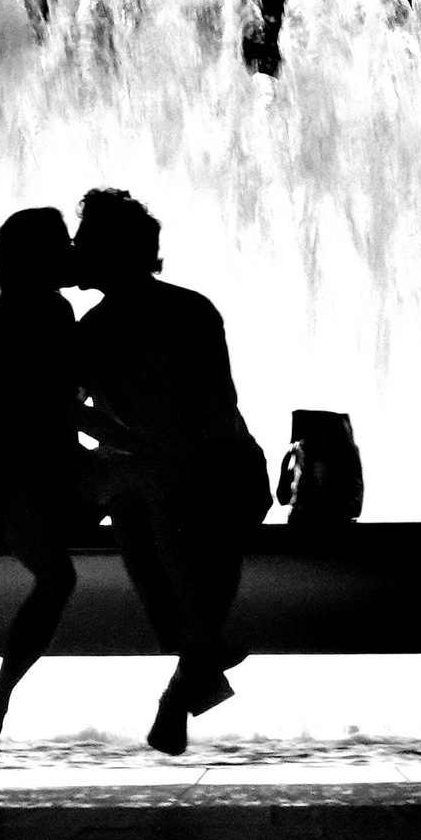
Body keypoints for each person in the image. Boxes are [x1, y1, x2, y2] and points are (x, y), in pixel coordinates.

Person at [73, 187, 258, 756]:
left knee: (161, 510)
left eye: (85, 242)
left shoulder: (154, 318)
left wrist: (127, 447)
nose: (75, 250)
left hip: (216, 466)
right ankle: (197, 663)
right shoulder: (101, 326)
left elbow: (212, 416)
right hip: (176, 473)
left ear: (113, 252)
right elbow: (65, 408)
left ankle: (189, 674)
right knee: (148, 508)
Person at [0, 207, 91, 789]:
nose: (72, 251)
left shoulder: (29, 316)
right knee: (58, 578)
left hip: (37, 477)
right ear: (37, 258)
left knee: (146, 492)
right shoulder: (29, 319)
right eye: (61, 244)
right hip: (9, 486)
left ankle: (196, 643)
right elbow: (48, 406)